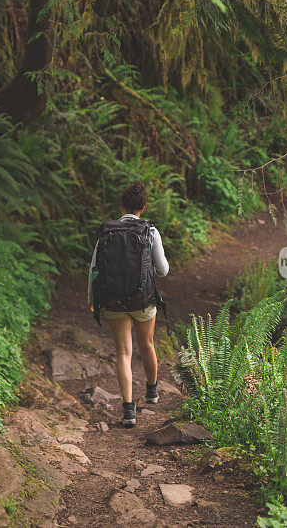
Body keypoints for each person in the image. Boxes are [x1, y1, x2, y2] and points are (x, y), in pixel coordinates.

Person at [88, 182, 169, 427]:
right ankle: (152, 391)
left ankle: (128, 411)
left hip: (113, 300)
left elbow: (94, 268)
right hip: (143, 300)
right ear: (143, 208)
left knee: (123, 353)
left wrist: (92, 299)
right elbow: (163, 270)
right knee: (147, 344)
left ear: (121, 206)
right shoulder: (150, 231)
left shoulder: (106, 232)